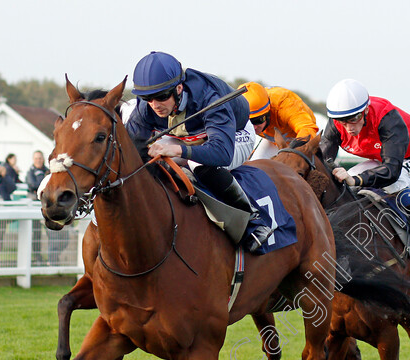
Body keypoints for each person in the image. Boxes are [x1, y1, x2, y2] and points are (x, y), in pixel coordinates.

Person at [125, 51, 270, 252]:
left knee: (198, 164)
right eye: (147, 98)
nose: (155, 105)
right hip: (189, 135)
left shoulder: (209, 97)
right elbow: (129, 150)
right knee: (151, 159)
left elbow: (221, 152)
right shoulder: (147, 107)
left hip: (234, 134)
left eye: (161, 97)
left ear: (179, 88)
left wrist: (177, 149)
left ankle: (253, 222)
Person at [319, 78, 410, 254]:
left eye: (353, 119)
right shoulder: (337, 123)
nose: (348, 128)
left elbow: (391, 171)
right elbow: (322, 160)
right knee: (347, 179)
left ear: (365, 110)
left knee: (394, 183)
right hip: (380, 160)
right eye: (342, 121)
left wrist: (356, 180)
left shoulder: (388, 119)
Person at [239, 82, 319, 160]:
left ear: (268, 111)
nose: (253, 127)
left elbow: (307, 128)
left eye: (258, 120)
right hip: (274, 142)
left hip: (308, 138)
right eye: (248, 121)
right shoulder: (235, 111)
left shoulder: (285, 104)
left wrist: (295, 152)